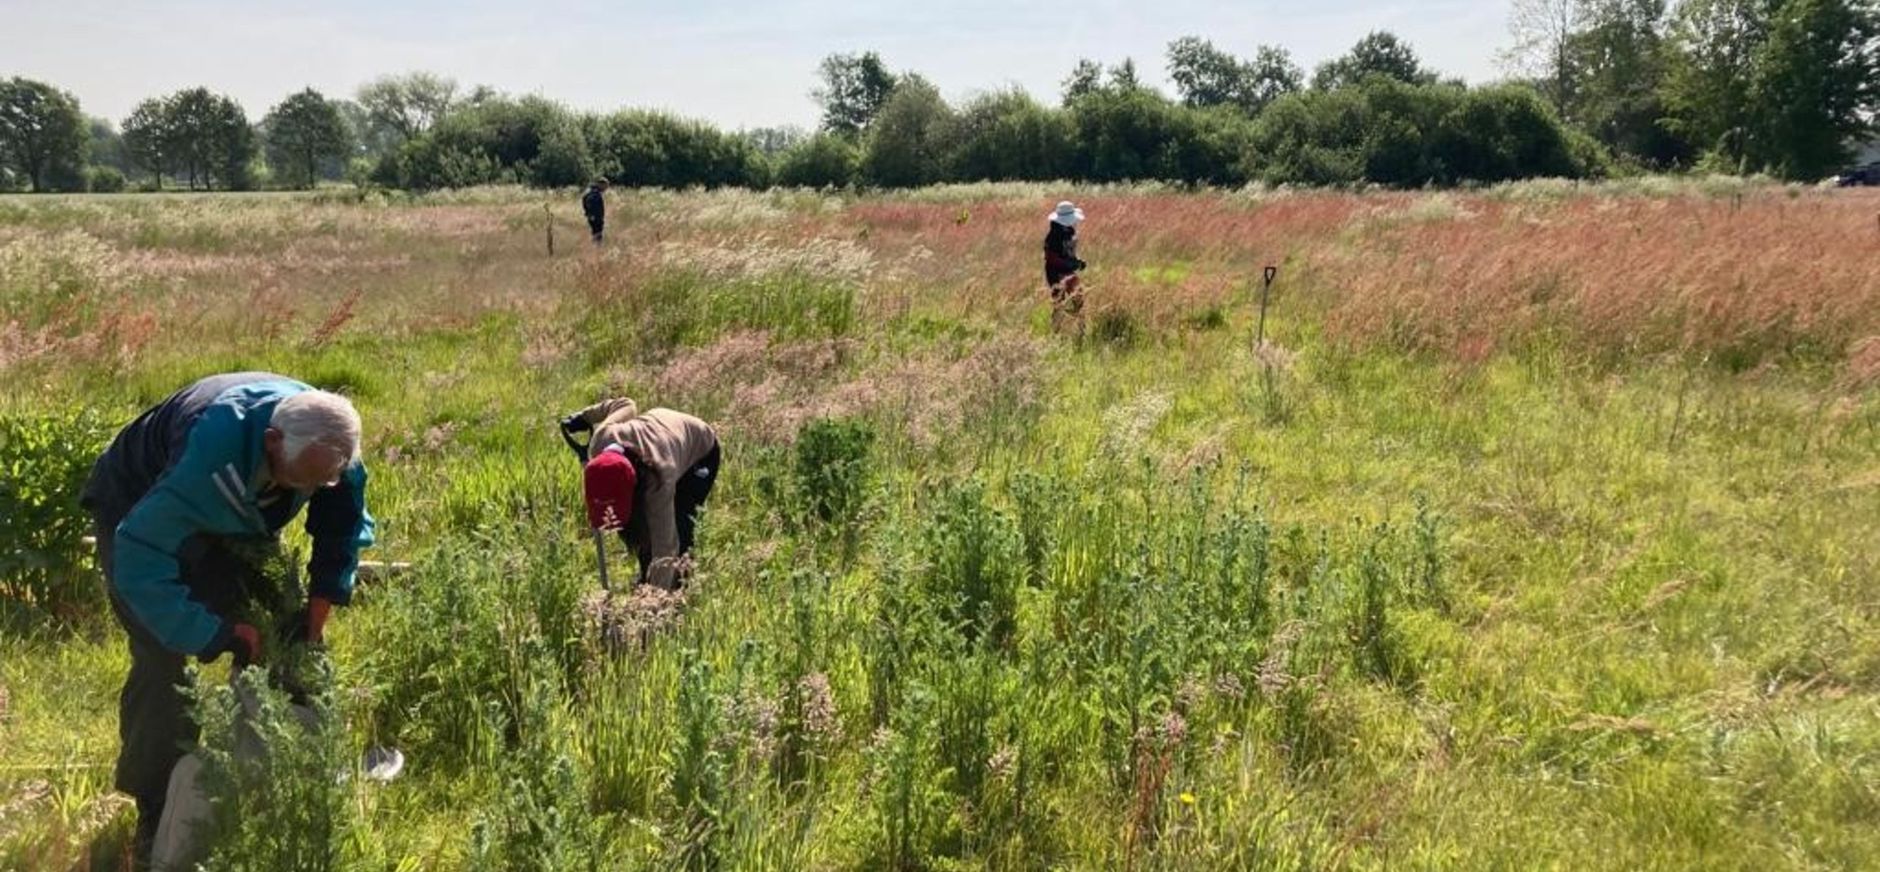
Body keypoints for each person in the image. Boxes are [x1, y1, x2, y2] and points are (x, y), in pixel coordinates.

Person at [79, 373, 374, 860]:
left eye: (321, 481)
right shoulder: (209, 452)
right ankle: (158, 809)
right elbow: (143, 554)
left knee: (286, 638)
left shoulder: (332, 450)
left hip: (240, 507)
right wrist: (212, 634)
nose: (313, 489)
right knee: (164, 659)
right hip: (137, 506)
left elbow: (340, 531)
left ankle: (282, 775)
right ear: (271, 442)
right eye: (301, 480)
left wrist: (316, 614)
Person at [561, 399, 720, 590]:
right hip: (661, 430)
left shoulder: (659, 481)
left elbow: (665, 548)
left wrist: (654, 602)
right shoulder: (601, 440)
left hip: (700, 450)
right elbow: (625, 404)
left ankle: (679, 589)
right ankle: (647, 577)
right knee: (641, 530)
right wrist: (586, 416)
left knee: (680, 527)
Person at [1044, 200, 1087, 332]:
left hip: (1068, 270)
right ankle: (1056, 332)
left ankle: (1081, 329)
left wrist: (1078, 261)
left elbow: (1069, 252)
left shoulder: (1070, 231)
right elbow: (1050, 257)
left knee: (1079, 299)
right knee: (1059, 302)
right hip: (1055, 273)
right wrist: (1069, 264)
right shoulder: (1053, 236)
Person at [582, 177, 610, 244]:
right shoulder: (594, 193)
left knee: (596, 233)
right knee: (597, 234)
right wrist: (591, 214)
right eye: (605, 186)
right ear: (601, 184)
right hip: (595, 217)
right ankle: (596, 249)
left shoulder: (591, 191)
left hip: (594, 216)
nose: (606, 188)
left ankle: (595, 248)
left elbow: (584, 201)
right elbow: (590, 204)